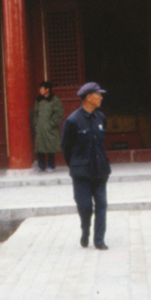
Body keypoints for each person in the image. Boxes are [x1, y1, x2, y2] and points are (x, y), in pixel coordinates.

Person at [61, 82, 111, 250]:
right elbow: (66, 148)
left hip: (100, 170)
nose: (101, 97)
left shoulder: (100, 118)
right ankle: (85, 230)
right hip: (81, 172)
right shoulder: (73, 121)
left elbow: (101, 143)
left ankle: (99, 240)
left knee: (102, 205)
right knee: (85, 207)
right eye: (99, 94)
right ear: (89, 97)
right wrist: (76, 165)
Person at [32, 80, 63, 173]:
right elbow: (36, 113)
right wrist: (36, 124)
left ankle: (51, 165)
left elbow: (59, 113)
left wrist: (52, 124)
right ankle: (41, 166)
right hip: (40, 127)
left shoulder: (55, 100)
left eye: (42, 88)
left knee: (50, 146)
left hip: (50, 127)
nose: (40, 90)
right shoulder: (38, 100)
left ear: (47, 89)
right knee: (40, 147)